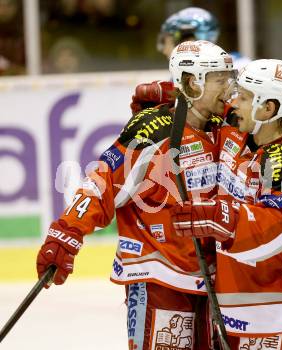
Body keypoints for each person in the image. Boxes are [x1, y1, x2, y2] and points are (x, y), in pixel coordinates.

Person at [36, 40, 236, 350]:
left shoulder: (223, 128)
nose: (230, 88)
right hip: (159, 276)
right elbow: (101, 183)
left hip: (209, 278)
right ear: (193, 82)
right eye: (221, 80)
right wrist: (66, 232)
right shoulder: (152, 130)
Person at [170, 59, 282, 348]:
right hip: (236, 295)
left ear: (268, 108)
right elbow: (207, 103)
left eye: (242, 97)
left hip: (272, 305)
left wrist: (222, 218)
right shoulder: (240, 128)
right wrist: (169, 93)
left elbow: (281, 225)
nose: (233, 102)